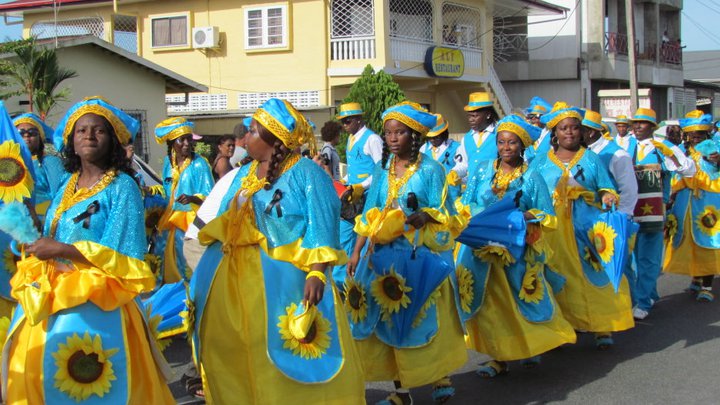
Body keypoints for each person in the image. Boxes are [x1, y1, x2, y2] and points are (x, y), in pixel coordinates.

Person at [189, 98, 363, 404]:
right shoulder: (245, 175)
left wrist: (317, 274)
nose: (245, 138)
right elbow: (225, 219)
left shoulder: (306, 173)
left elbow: (321, 225)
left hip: (288, 283)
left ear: (272, 138)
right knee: (246, 352)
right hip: (241, 283)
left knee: (287, 357)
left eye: (253, 131)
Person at [6, 97, 174, 404]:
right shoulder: (67, 184)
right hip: (53, 295)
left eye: (99, 130)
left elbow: (125, 253)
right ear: (71, 140)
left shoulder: (122, 187)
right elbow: (56, 234)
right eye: (81, 130)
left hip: (100, 302)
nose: (89, 136)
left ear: (112, 140)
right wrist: (34, 232)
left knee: (95, 385)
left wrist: (64, 249)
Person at [346, 102, 466, 405]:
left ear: (414, 136)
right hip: (383, 257)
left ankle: (440, 376)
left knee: (423, 319)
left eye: (399, 132)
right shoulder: (381, 170)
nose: (392, 138)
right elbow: (369, 215)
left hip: (419, 256)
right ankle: (401, 392)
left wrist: (424, 215)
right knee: (389, 322)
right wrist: (356, 252)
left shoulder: (431, 170)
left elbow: (447, 213)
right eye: (388, 133)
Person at [456, 114, 576, 378]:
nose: (505, 148)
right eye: (500, 143)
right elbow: (464, 202)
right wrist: (483, 215)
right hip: (481, 249)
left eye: (511, 143)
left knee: (517, 304)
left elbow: (547, 214)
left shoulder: (532, 176)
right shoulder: (482, 169)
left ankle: (532, 346)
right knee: (491, 307)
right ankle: (499, 357)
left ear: (522, 146)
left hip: (515, 251)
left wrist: (522, 216)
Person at [531, 102, 633, 350]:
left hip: (586, 227)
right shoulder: (540, 162)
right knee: (556, 277)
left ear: (583, 132)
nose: (569, 132)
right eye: (563, 128)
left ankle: (603, 325)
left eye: (575, 128)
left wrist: (609, 196)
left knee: (596, 277)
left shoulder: (591, 159)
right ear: (554, 132)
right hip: (552, 230)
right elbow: (530, 192)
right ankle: (562, 327)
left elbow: (606, 186)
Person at [628, 108, 695, 320]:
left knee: (648, 256)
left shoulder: (662, 147)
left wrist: (670, 155)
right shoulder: (625, 145)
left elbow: (689, 169)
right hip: (629, 209)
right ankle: (649, 293)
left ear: (652, 127)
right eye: (635, 123)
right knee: (632, 257)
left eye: (643, 123)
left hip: (653, 210)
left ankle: (643, 300)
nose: (637, 126)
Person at [151, 117, 214, 284]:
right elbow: (166, 189)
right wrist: (151, 191)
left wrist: (193, 198)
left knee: (187, 263)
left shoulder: (200, 164)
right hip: (169, 220)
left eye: (189, 139)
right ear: (172, 142)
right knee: (162, 258)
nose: (186, 143)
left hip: (190, 223)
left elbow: (211, 196)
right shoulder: (168, 163)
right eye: (182, 139)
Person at [664, 112, 718, 300]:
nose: (696, 137)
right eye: (693, 134)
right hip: (684, 203)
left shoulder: (714, 149)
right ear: (687, 135)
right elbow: (675, 176)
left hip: (707, 203)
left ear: (706, 135)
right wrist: (670, 197)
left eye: (700, 134)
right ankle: (696, 278)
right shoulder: (681, 151)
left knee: (706, 242)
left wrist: (715, 161)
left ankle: (708, 286)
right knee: (688, 241)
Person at [582, 109, 638, 216]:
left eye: (578, 130)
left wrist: (620, 218)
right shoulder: (581, 152)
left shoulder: (618, 155)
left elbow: (629, 191)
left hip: (608, 221)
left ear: (590, 132)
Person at [14, 112, 67, 221]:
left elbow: (60, 195)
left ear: (41, 137)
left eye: (32, 133)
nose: (26, 135)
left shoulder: (50, 161)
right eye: (21, 133)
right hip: (14, 221)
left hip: (42, 219)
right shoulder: (9, 164)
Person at [337, 102, 383, 202]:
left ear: (358, 120)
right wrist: (345, 179)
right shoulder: (350, 139)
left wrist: (362, 186)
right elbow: (354, 167)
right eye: (342, 122)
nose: (345, 125)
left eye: (347, 121)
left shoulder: (372, 139)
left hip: (370, 195)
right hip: (354, 195)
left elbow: (381, 170)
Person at [453, 92, 500, 182]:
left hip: (494, 190)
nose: (471, 120)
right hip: (472, 190)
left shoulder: (500, 134)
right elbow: (464, 164)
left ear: (488, 115)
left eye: (475, 116)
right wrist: (455, 173)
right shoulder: (466, 138)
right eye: (469, 116)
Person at [420, 113, 461, 203]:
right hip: (431, 199)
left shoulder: (457, 148)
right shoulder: (423, 149)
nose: (433, 140)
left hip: (452, 198)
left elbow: (463, 170)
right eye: (430, 137)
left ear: (444, 133)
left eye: (436, 137)